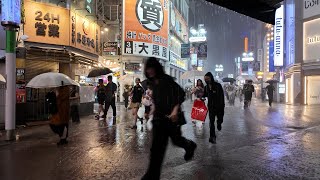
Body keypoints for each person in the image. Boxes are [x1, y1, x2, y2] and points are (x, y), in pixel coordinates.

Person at [142, 57, 197, 180]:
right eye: (148, 69)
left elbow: (180, 94)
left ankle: (189, 145)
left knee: (176, 140)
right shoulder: (151, 83)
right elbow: (157, 101)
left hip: (172, 119)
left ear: (156, 68)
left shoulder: (166, 80)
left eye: (151, 68)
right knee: (156, 149)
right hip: (158, 120)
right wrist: (151, 111)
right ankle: (152, 176)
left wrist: (175, 110)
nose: (150, 71)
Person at [203, 72, 225, 144]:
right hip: (211, 107)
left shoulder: (218, 85)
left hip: (219, 106)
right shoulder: (206, 87)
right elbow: (204, 95)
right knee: (211, 122)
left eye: (208, 79)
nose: (206, 80)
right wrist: (199, 95)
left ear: (211, 78)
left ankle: (219, 123)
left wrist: (222, 105)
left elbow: (221, 96)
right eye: (205, 79)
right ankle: (212, 136)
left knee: (220, 118)